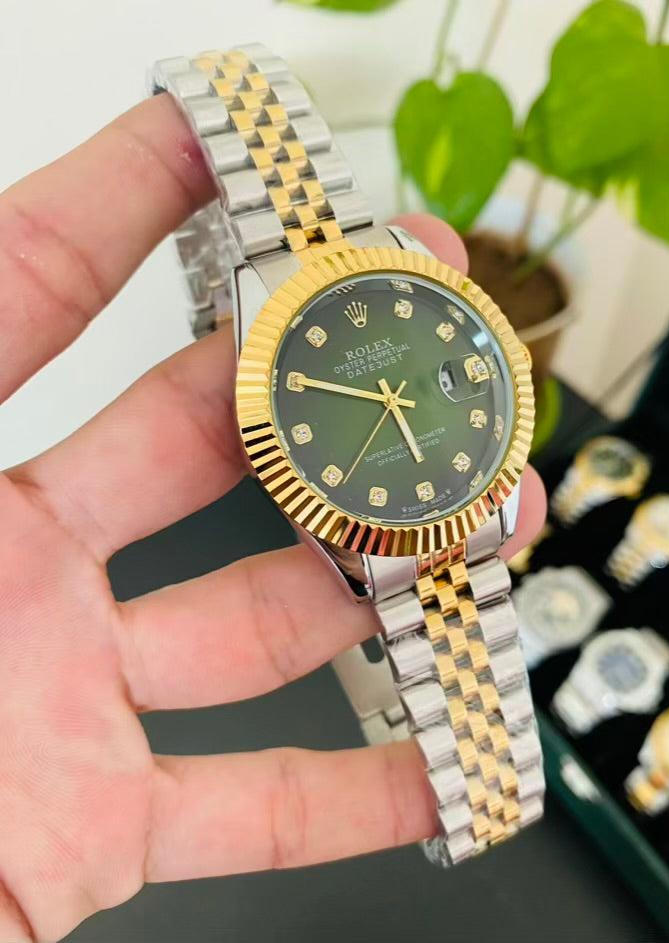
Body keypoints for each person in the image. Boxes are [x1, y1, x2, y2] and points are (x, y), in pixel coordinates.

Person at [0, 93, 546, 942]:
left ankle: (471, 760)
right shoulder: (263, 335)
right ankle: (474, 765)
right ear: (266, 432)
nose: (391, 395)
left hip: (467, 484)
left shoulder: (404, 274)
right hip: (387, 522)